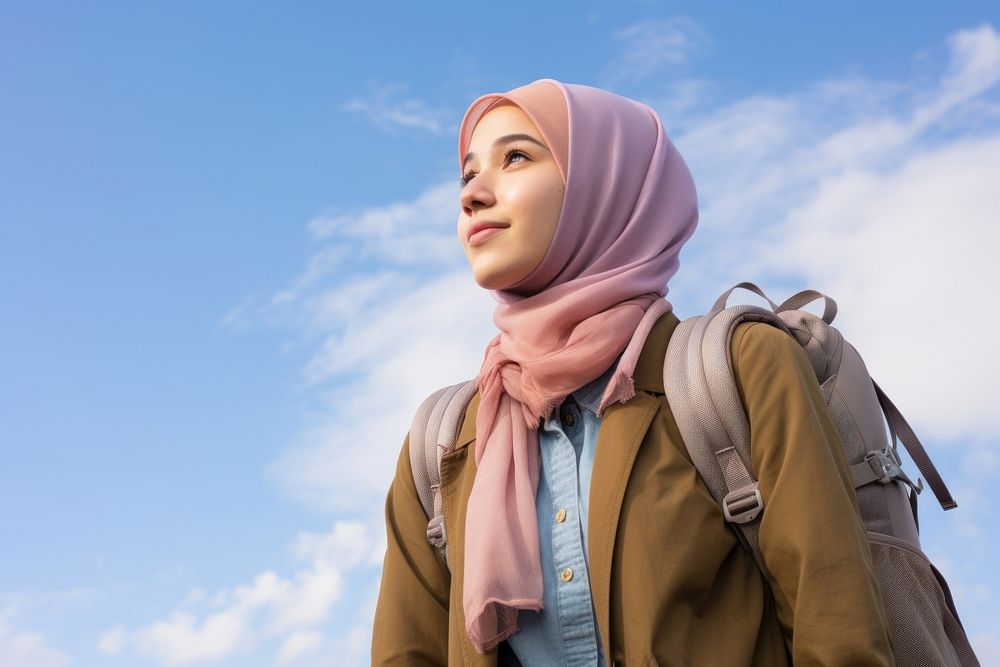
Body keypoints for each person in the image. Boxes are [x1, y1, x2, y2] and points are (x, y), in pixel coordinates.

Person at [371, 79, 894, 666]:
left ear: (606, 182)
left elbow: (839, 636)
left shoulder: (741, 370)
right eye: (467, 175)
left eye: (516, 157)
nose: (472, 195)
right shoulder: (441, 445)